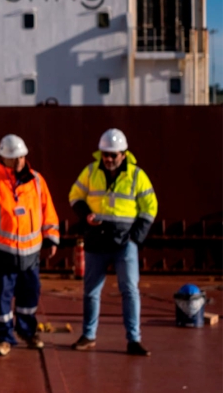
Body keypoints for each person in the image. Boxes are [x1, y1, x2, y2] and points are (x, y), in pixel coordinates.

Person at [69, 128, 157, 356]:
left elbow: (150, 207)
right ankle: (88, 336)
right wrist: (85, 214)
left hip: (124, 242)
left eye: (113, 155)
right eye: (105, 154)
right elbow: (74, 195)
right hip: (96, 240)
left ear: (123, 154)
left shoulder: (137, 176)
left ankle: (134, 340)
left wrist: (136, 238)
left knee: (129, 290)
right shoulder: (90, 171)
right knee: (91, 291)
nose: (108, 159)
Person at [0, 135, 60, 356]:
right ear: (3, 158)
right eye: (13, 158)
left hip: (31, 254)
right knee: (2, 296)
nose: (18, 161)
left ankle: (27, 332)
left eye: (21, 157)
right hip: (3, 252)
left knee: (30, 295)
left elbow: (48, 211)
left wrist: (51, 238)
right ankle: (3, 338)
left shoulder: (37, 181)